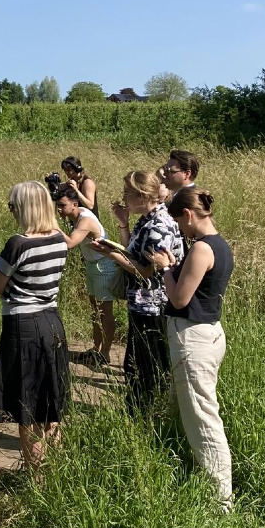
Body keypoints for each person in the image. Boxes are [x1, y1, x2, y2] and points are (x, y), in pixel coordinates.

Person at [146, 188, 234, 510]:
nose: (179, 230)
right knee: (194, 413)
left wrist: (164, 269)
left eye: (179, 223)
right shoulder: (220, 246)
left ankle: (221, 502)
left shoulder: (201, 249)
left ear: (188, 215)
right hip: (208, 333)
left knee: (204, 420)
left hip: (194, 339)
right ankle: (196, 476)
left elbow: (179, 299)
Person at [0, 181, 70, 472]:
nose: (11, 212)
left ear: (24, 209)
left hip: (23, 324)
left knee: (28, 408)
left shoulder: (18, 243)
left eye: (13, 207)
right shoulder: (60, 239)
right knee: (51, 402)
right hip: (52, 319)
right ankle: (54, 470)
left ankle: (37, 477)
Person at [93, 171, 183, 409]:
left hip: (153, 306)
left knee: (147, 367)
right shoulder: (147, 220)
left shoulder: (159, 225)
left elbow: (145, 271)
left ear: (142, 196)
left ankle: (148, 414)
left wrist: (110, 254)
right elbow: (132, 251)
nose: (123, 197)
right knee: (136, 365)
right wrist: (123, 223)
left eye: (127, 193)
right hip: (142, 302)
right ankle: (142, 411)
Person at [53, 185, 117, 366]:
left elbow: (71, 243)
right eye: (57, 206)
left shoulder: (85, 219)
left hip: (104, 266)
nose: (59, 210)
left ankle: (105, 353)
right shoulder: (77, 215)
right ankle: (96, 349)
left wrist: (51, 224)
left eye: (62, 206)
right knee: (95, 311)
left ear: (74, 204)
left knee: (105, 311)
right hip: (92, 265)